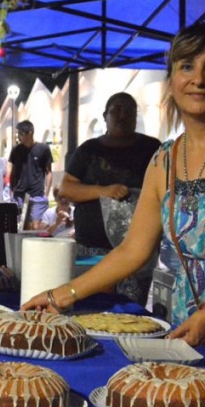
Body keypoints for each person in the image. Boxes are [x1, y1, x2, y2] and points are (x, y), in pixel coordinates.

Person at [23, 22, 205, 407]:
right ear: (172, 79)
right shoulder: (164, 159)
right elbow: (133, 250)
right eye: (186, 66)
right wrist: (62, 295)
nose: (198, 79)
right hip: (193, 326)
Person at [61, 92, 161, 303]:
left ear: (136, 117)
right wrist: (103, 191)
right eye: (116, 110)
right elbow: (66, 189)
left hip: (136, 254)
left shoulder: (152, 149)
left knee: (130, 314)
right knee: (89, 309)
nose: (122, 116)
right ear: (105, 115)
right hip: (91, 250)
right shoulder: (88, 150)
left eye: (128, 111)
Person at [7, 120, 54, 229]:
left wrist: (46, 193)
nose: (19, 136)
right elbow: (13, 171)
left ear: (30, 133)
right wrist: (12, 189)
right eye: (18, 133)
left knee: (36, 226)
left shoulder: (43, 148)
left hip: (37, 193)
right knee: (22, 226)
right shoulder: (16, 149)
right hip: (19, 193)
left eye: (21, 134)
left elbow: (48, 172)